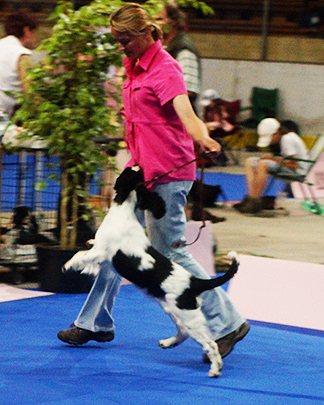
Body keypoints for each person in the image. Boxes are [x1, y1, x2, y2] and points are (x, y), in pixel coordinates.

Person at [58, 3, 249, 359]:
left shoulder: (167, 69)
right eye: (117, 39)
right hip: (140, 173)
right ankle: (94, 323)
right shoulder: (132, 66)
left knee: (170, 253)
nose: (121, 46)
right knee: (115, 243)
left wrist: (204, 138)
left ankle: (228, 324)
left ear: (147, 33)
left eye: (126, 39)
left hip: (168, 174)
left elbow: (187, 114)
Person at [234, 118, 309, 214]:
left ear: (277, 132)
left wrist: (272, 159)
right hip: (294, 167)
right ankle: (251, 198)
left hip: (298, 171)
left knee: (263, 164)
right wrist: (273, 159)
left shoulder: (287, 139)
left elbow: (294, 165)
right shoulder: (286, 137)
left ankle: (255, 201)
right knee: (250, 161)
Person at [158, 1, 201, 112]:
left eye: (159, 19)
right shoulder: (162, 48)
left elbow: (188, 91)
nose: (153, 25)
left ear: (173, 22)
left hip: (177, 122)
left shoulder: (184, 49)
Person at [0, 12, 38, 119]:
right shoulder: (21, 54)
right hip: (4, 121)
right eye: (34, 33)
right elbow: (31, 94)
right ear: (26, 31)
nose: (35, 38)